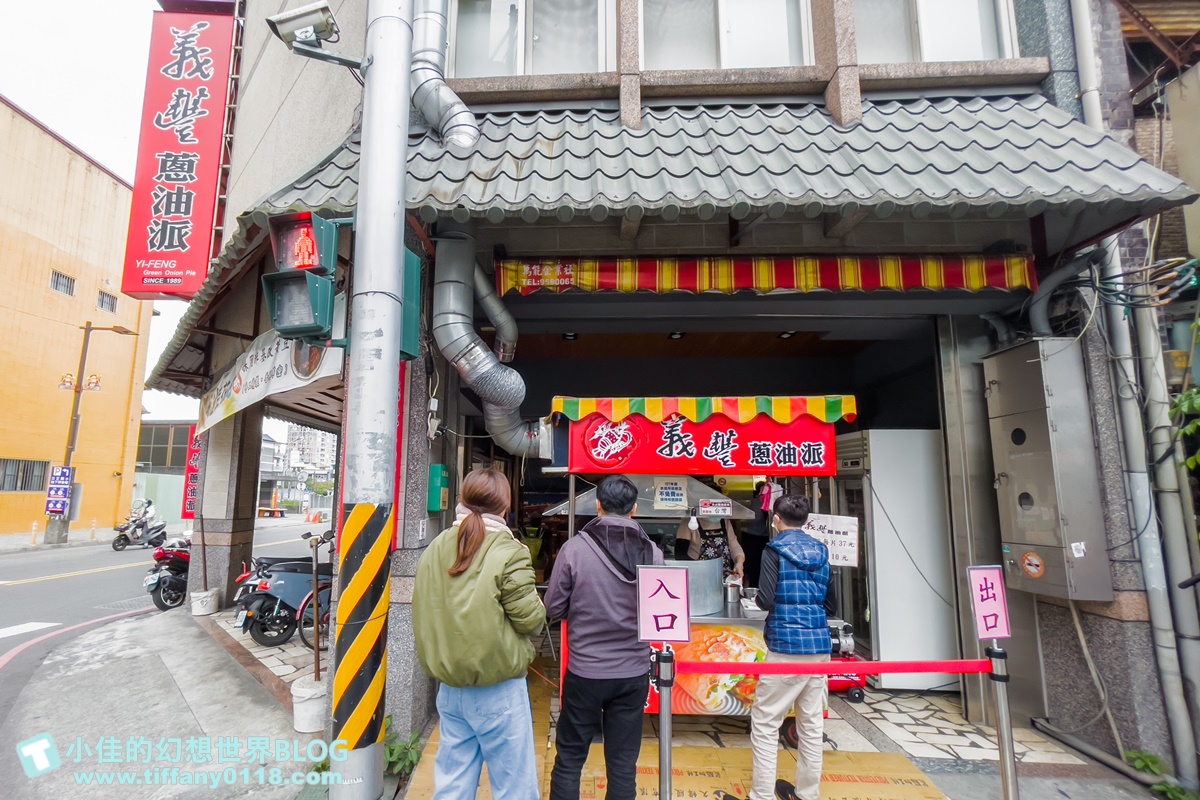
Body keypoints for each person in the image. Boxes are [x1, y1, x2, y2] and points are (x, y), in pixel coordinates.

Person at [413, 468, 546, 800]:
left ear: (462, 500)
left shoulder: (434, 548)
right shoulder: (509, 550)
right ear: (505, 506)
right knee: (514, 788)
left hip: (449, 689)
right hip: (498, 689)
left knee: (453, 785)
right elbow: (530, 620)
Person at [545, 475, 664, 800]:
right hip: (632, 674)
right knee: (623, 766)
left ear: (597, 505)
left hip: (585, 673)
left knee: (569, 759)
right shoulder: (653, 554)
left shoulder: (574, 550)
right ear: (634, 509)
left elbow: (553, 606)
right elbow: (659, 611)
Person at [749, 495, 831, 800]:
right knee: (810, 722)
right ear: (806, 521)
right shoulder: (822, 551)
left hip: (786, 645)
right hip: (819, 646)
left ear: (776, 520)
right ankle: (807, 794)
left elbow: (766, 599)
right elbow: (831, 604)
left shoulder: (774, 550)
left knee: (767, 720)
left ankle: (762, 795)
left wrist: (756, 600)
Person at [674, 515, 745, 580]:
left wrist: (739, 563)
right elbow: (680, 555)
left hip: (723, 579)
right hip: (698, 578)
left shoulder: (725, 522)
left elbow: (735, 548)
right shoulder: (690, 523)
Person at [740, 482, 771, 587]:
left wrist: (742, 522)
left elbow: (754, 518)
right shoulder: (767, 500)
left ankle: (753, 584)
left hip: (754, 537)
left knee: (753, 564)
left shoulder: (757, 501)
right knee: (760, 563)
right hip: (764, 536)